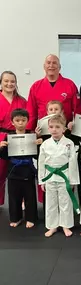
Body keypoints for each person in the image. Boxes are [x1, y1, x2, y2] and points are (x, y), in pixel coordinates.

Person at [38, 115, 80, 238]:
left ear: (64, 129)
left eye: (57, 127)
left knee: (65, 202)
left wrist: (73, 181)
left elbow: (72, 163)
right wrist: (42, 181)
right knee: (51, 203)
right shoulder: (45, 144)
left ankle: (65, 225)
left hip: (65, 176)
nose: (54, 130)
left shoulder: (69, 143)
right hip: (49, 176)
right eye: (51, 127)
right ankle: (52, 226)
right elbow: (41, 163)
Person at [0, 109, 41, 228]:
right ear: (12, 122)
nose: (21, 123)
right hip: (13, 170)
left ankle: (31, 218)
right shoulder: (8, 137)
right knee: (13, 196)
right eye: (17, 120)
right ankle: (15, 218)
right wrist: (1, 147)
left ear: (28, 121)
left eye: (23, 120)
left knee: (30, 196)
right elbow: (4, 156)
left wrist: (39, 144)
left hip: (28, 169)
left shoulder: (32, 135)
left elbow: (37, 155)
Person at [26, 54, 81, 131]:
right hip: (44, 130)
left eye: (54, 63)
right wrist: (30, 132)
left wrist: (78, 129)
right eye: (48, 63)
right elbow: (31, 113)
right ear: (44, 66)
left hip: (65, 130)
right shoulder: (36, 87)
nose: (51, 65)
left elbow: (78, 110)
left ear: (59, 67)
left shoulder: (70, 85)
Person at [0, 71, 27, 206]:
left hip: (19, 137)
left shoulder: (22, 101)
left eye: (12, 81)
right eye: (6, 81)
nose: (9, 84)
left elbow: (29, 119)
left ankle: (21, 200)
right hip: (1, 137)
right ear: (1, 82)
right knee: (0, 171)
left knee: (19, 170)